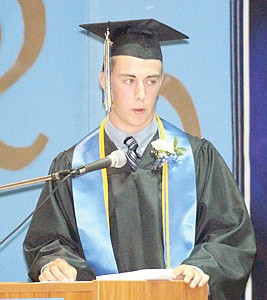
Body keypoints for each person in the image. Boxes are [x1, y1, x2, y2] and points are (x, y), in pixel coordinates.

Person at [23, 19, 256, 299]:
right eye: (129, 80)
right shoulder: (74, 167)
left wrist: (201, 268)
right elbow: (48, 241)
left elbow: (231, 237)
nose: (141, 94)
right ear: (105, 81)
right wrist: (56, 264)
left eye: (151, 81)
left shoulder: (197, 158)